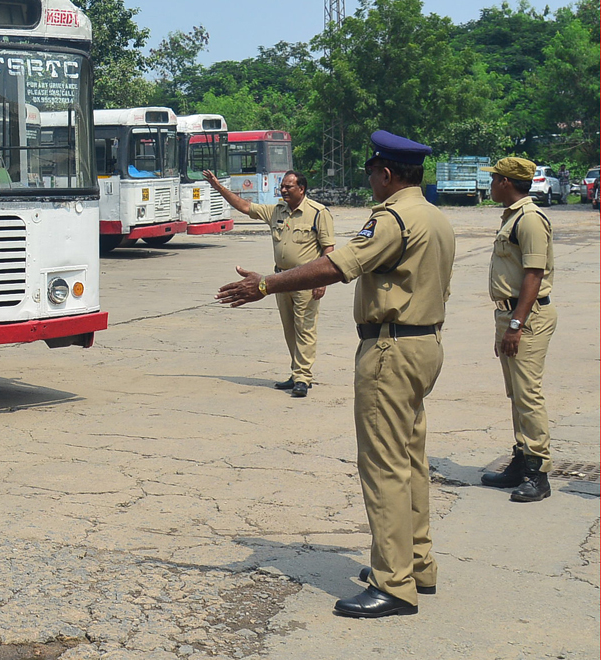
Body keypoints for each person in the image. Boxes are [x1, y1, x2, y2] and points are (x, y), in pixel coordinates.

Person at [217, 131, 455, 619]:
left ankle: (394, 584)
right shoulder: (434, 215)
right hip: (425, 343)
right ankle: (416, 564)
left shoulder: (392, 218)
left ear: (386, 173)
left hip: (390, 348)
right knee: (410, 459)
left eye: (371, 173)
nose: (370, 181)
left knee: (384, 465)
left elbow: (335, 265)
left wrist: (264, 284)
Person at [202, 168, 335, 397]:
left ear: (301, 189)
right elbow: (244, 207)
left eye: (288, 186)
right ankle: (296, 374)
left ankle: (303, 377)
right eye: (282, 186)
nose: (283, 190)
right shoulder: (276, 211)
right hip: (280, 280)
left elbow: (328, 248)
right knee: (289, 328)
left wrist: (322, 281)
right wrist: (218, 187)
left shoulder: (318, 213)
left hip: (306, 280)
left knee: (305, 328)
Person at [479, 157, 556, 502]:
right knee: (516, 393)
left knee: (528, 393)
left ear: (507, 182)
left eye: (494, 179)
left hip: (526, 317)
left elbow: (533, 275)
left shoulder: (530, 220)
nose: (491, 184)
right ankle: (522, 457)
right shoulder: (512, 216)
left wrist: (515, 325)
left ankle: (538, 472)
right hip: (510, 316)